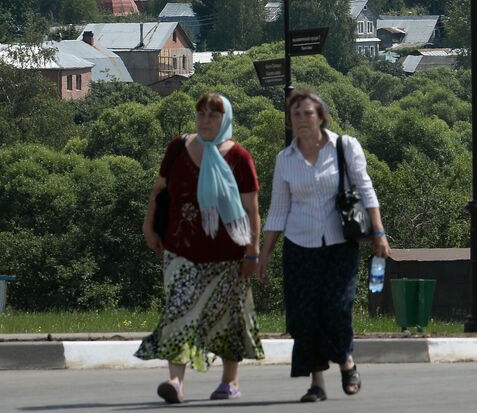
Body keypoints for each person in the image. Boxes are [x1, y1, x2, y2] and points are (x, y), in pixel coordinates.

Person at [259, 87, 389, 402]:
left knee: (337, 307)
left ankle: (346, 361)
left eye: (307, 113)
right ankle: (317, 383)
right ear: (290, 121)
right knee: (305, 316)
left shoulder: (344, 147)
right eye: (296, 114)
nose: (302, 119)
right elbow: (278, 210)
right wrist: (262, 257)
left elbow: (365, 188)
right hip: (299, 245)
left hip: (339, 243)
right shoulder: (285, 159)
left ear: (321, 116)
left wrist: (378, 232)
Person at [138, 92, 263, 403]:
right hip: (181, 249)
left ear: (225, 119)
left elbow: (252, 210)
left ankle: (230, 382)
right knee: (178, 311)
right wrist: (149, 224)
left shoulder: (239, 157)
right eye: (201, 114)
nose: (205, 120)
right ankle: (175, 382)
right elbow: (159, 189)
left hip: (229, 253)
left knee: (229, 317)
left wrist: (253, 252)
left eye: (213, 115)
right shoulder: (178, 148)